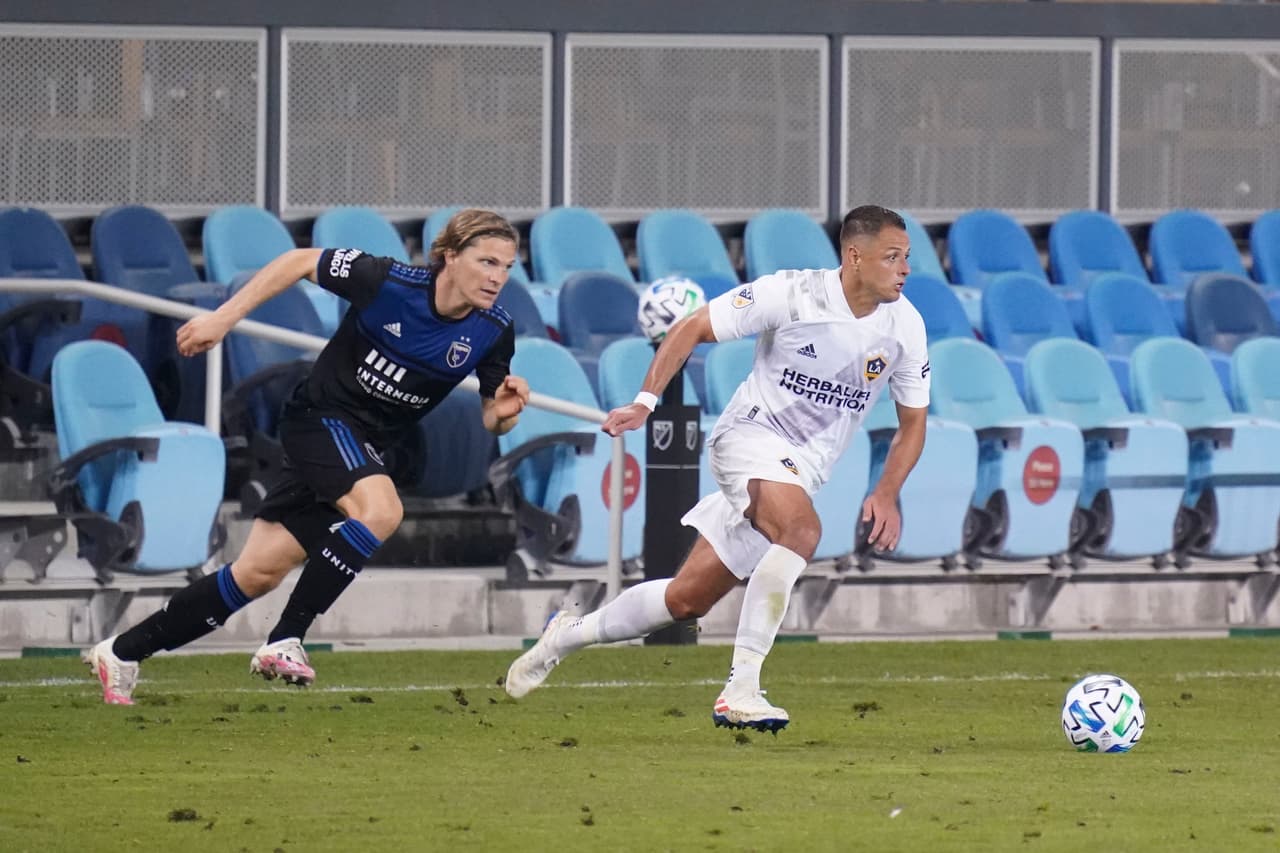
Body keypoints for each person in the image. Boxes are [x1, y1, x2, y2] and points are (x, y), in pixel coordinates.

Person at [504, 205, 929, 732]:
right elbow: (692, 327)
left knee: (686, 599)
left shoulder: (906, 325)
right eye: (892, 257)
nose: (905, 268)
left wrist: (887, 491)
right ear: (854, 256)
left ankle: (564, 635)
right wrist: (645, 401)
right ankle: (741, 688)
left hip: (800, 471)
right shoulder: (791, 294)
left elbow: (914, 422)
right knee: (801, 530)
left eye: (907, 257)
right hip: (749, 439)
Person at [83, 209, 531, 705]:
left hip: (364, 446)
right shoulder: (386, 280)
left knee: (256, 574)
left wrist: (506, 413)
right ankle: (285, 637)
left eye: (507, 267)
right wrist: (223, 319)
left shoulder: (494, 329)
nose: (498, 277)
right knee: (382, 511)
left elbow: (494, 417)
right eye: (487, 261)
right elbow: (297, 261)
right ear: (450, 256)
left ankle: (122, 652)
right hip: (319, 419)